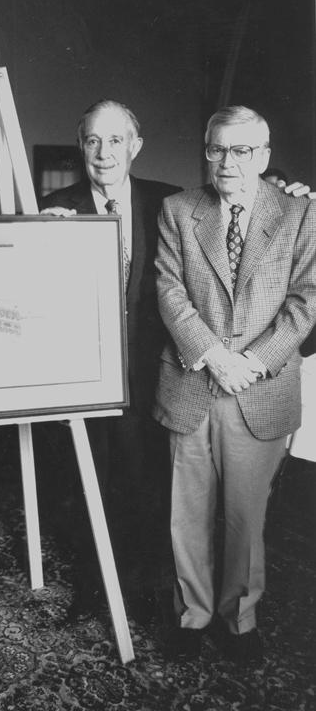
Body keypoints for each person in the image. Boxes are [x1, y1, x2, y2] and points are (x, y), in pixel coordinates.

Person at [154, 105, 316, 664]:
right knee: (187, 514)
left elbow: (306, 301)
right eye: (218, 148)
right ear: (206, 152)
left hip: (260, 390)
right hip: (192, 385)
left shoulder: (300, 214)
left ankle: (239, 619)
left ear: (264, 157)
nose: (228, 161)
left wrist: (254, 361)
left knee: (246, 518)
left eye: (242, 150)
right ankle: (192, 616)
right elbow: (170, 293)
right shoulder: (179, 210)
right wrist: (213, 356)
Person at [38, 100, 181, 623]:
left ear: (135, 147)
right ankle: (93, 587)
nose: (104, 153)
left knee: (148, 485)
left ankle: (146, 589)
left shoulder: (169, 203)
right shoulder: (54, 204)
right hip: (86, 376)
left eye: (116, 141)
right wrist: (37, 238)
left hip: (152, 375)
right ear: (82, 146)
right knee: (87, 483)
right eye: (93, 141)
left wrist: (293, 194)